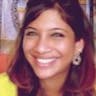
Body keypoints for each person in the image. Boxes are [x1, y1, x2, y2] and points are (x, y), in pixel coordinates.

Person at [6, 0, 96, 96]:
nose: (41, 48)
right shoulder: (4, 88)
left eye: (57, 35)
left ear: (78, 45)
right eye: (32, 33)